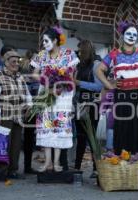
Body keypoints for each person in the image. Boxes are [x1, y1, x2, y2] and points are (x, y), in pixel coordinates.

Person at [96, 22, 138, 155]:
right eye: (128, 34)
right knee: (122, 127)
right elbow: (99, 70)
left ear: (137, 37)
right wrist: (110, 85)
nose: (131, 37)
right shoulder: (114, 54)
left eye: (134, 35)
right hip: (122, 96)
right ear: (122, 35)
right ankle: (123, 159)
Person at [31, 26, 79, 172]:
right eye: (43, 41)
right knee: (46, 126)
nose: (44, 43)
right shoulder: (41, 55)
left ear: (55, 40)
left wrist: (63, 90)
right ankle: (47, 162)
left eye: (46, 40)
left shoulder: (69, 55)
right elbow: (34, 74)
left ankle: (57, 162)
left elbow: (71, 78)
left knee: (59, 127)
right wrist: (47, 83)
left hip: (63, 96)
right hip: (45, 94)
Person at [0, 50, 32, 179]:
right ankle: (2, 169)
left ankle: (13, 170)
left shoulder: (20, 77)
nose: (16, 64)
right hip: (4, 115)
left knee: (16, 144)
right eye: (13, 61)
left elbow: (26, 93)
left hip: (18, 115)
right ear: (6, 62)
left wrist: (29, 105)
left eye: (18, 61)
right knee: (3, 143)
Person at [73, 40, 102, 177]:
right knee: (80, 137)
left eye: (80, 51)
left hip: (92, 104)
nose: (78, 53)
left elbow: (99, 86)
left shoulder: (96, 65)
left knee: (91, 136)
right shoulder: (79, 66)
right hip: (79, 103)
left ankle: (97, 168)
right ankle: (77, 167)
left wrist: (80, 83)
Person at [20, 49, 39, 174]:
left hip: (25, 106)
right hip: (34, 106)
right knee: (30, 137)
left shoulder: (22, 71)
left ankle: (26, 166)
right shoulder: (34, 74)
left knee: (27, 136)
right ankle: (27, 166)